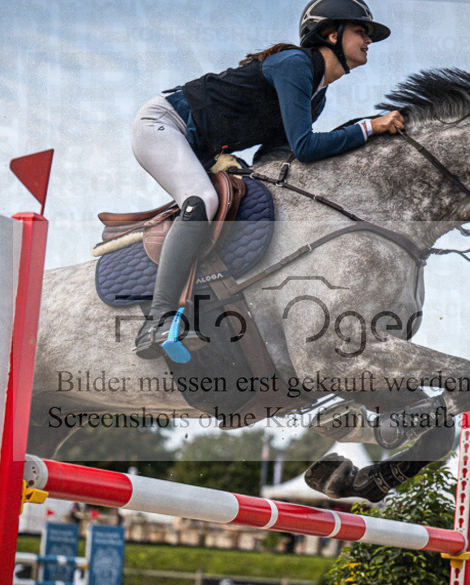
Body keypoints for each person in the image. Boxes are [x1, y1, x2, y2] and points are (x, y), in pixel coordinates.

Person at [130, 0, 405, 358]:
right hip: (165, 123)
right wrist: (368, 128)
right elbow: (305, 147)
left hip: (203, 148)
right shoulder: (295, 65)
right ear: (330, 34)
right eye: (360, 31)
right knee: (202, 200)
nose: (368, 40)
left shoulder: (316, 97)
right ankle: (158, 318)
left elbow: (273, 160)